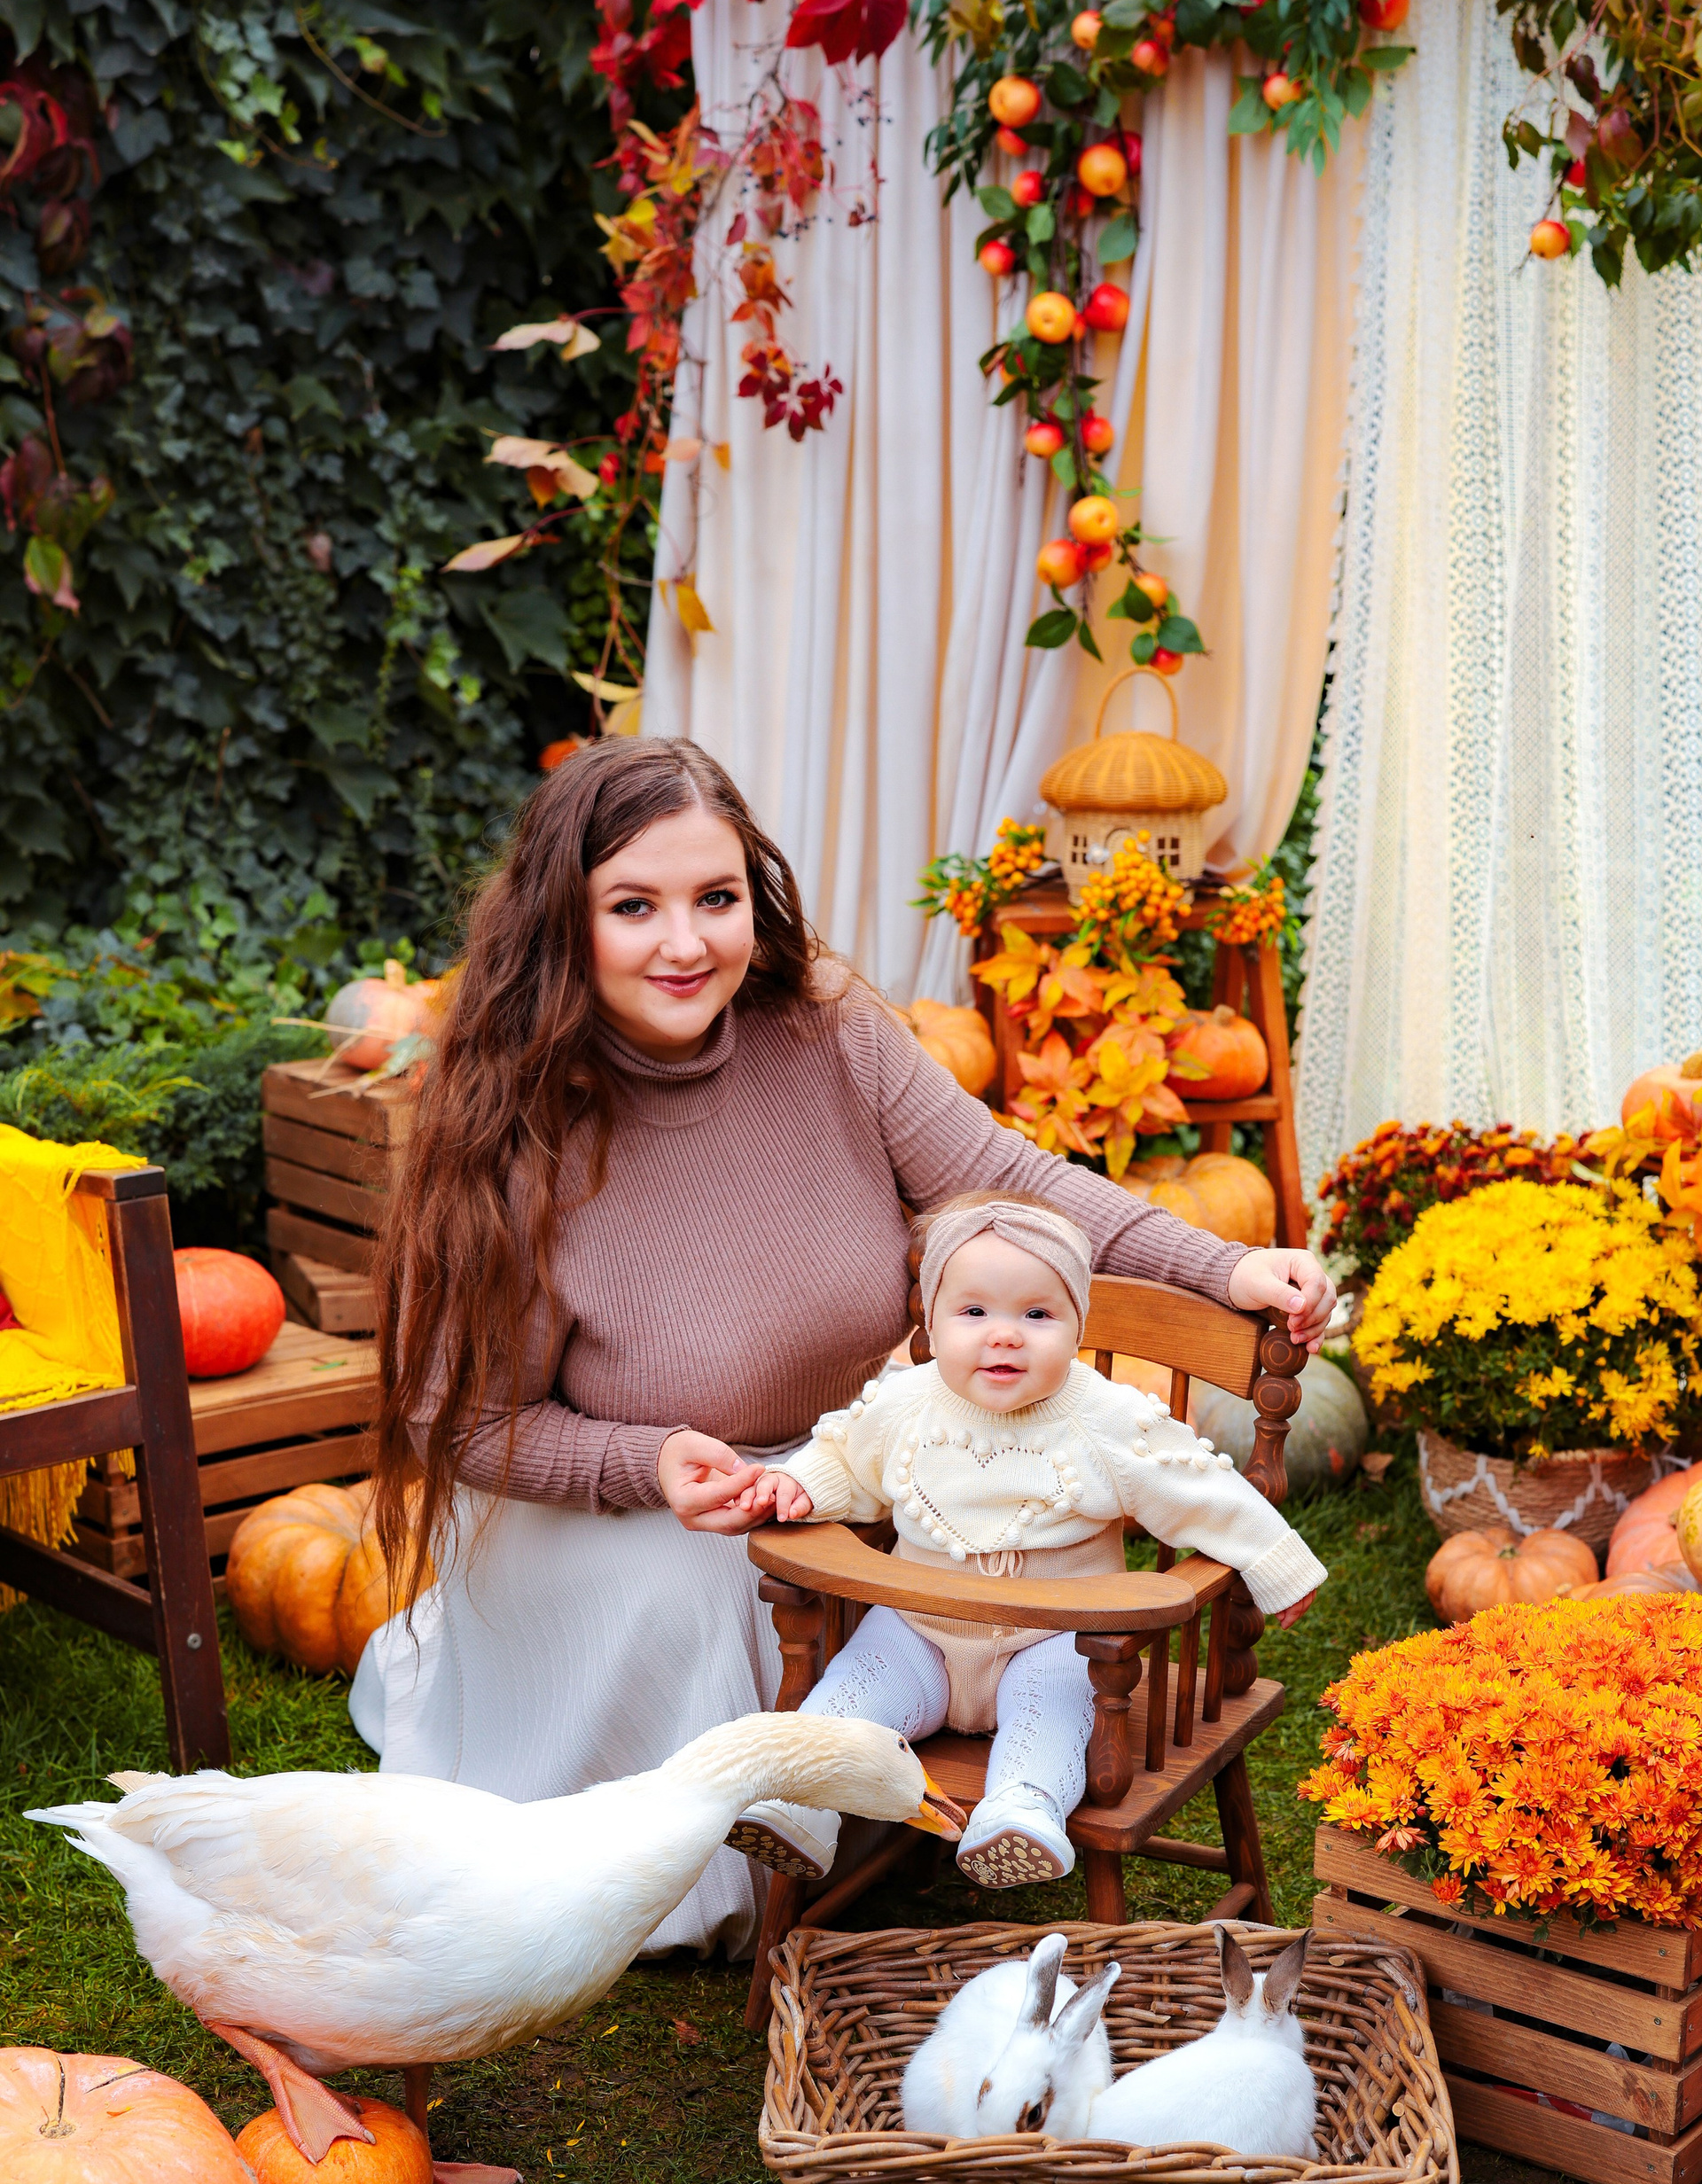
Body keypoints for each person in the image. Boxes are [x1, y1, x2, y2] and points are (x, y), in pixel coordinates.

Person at [356, 735, 1337, 1956]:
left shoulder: (825, 1030)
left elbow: (1007, 1180)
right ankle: (727, 1845)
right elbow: (462, 1423)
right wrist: (644, 1461)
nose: (686, 942)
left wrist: (1225, 1264)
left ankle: (884, 1804)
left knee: (917, 1558)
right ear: (563, 920)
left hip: (844, 1460)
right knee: (739, 1589)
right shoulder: (515, 1132)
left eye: (716, 898)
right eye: (634, 906)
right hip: (623, 1510)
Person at [729, 1195, 1326, 1889]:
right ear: (930, 1320)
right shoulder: (906, 1402)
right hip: (917, 1633)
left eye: (1037, 1315)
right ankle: (799, 1800)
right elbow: (844, 1456)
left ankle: (1021, 1812)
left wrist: (1275, 1563)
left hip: (1053, 1641)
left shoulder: (1104, 1418)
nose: (1005, 1335)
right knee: (849, 1696)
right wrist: (801, 1486)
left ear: (1078, 1326)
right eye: (974, 1312)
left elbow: (1200, 1488)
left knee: (1053, 1714)